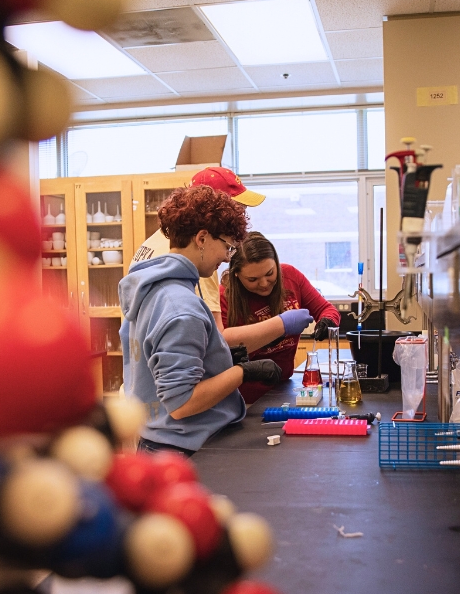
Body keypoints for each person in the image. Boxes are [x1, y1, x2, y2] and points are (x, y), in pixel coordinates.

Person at [119, 186, 281, 456]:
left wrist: (216, 357)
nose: (228, 258)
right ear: (203, 238)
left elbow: (156, 361)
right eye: (227, 247)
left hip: (156, 438)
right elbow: (182, 402)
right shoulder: (180, 305)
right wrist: (243, 372)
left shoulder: (152, 289)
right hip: (181, 448)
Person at [131, 166, 265, 328]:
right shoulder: (197, 258)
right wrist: (281, 325)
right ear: (216, 211)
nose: (241, 217)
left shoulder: (158, 240)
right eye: (239, 209)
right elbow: (213, 334)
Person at [220, 232, 341, 403]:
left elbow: (327, 309)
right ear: (237, 275)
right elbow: (222, 345)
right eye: (253, 279)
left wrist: (327, 321)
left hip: (283, 388)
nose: (263, 283)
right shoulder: (225, 296)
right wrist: (272, 331)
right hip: (243, 399)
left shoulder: (290, 276)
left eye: (269, 273)